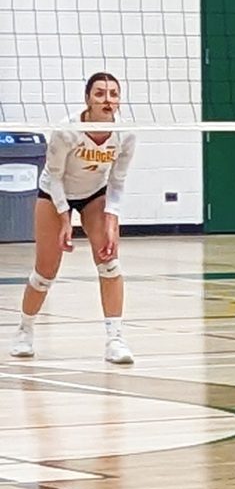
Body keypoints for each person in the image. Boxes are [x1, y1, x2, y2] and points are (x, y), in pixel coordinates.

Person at [9, 72, 137, 364]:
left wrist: (111, 220)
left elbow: (117, 181)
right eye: (100, 93)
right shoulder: (67, 131)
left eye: (113, 94)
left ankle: (115, 339)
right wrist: (64, 218)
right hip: (54, 193)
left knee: (110, 261)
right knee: (45, 272)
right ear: (88, 99)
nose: (107, 100)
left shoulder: (127, 132)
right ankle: (24, 330)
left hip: (95, 193)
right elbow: (54, 176)